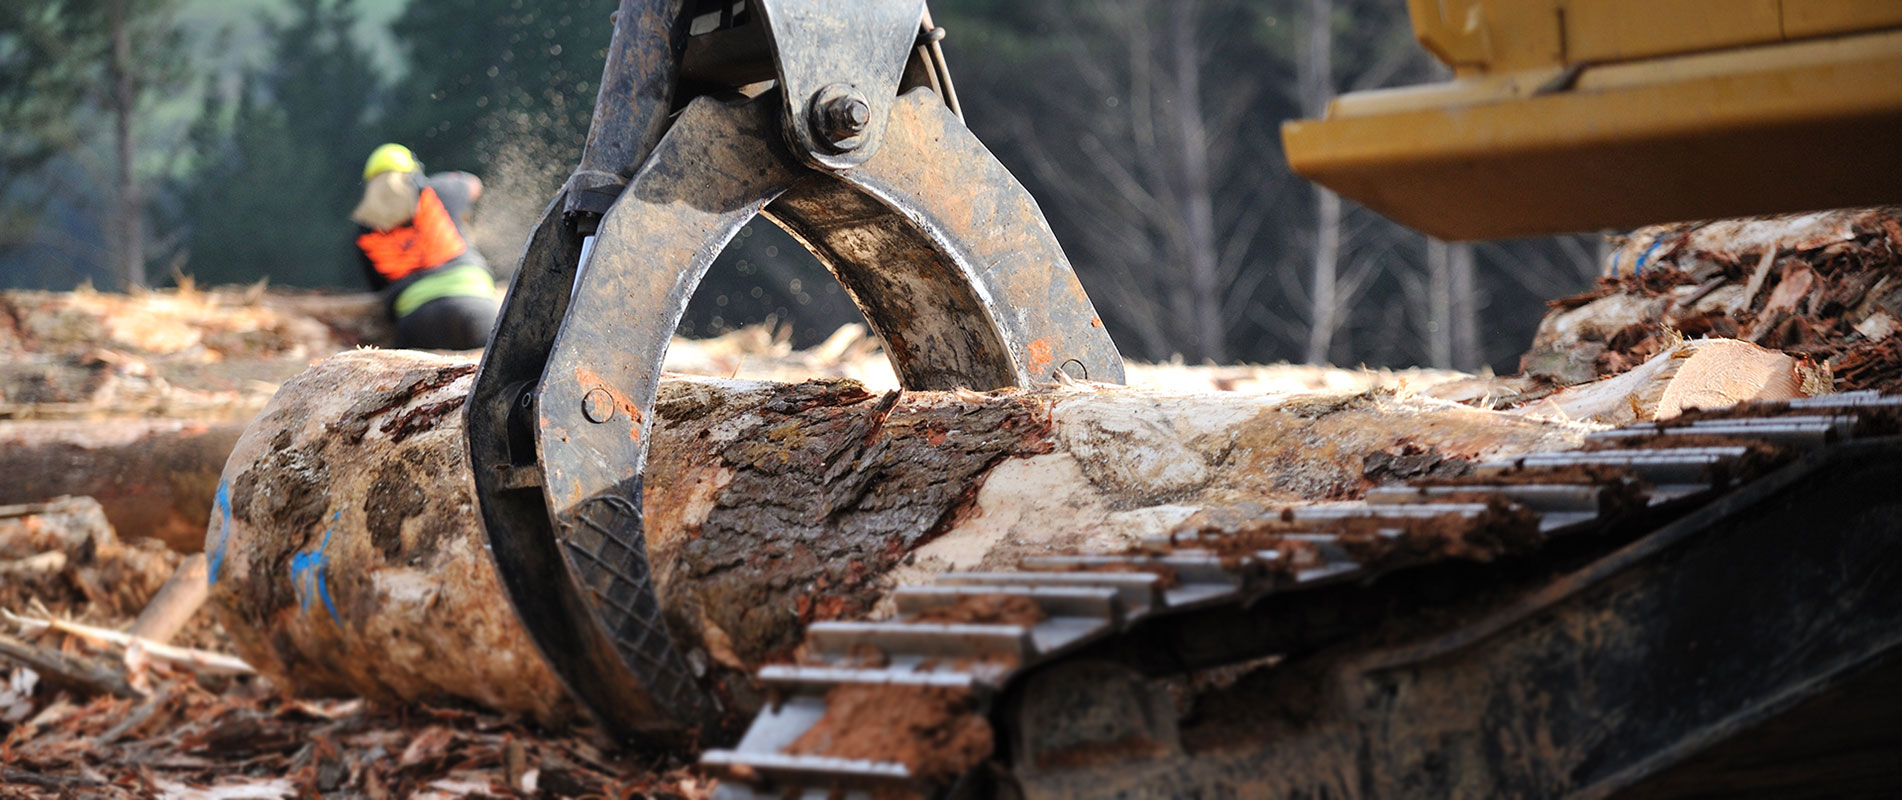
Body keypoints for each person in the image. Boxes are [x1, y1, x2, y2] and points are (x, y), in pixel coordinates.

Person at [351, 143, 499, 350]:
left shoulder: (365, 228)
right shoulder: (438, 189)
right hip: (474, 302)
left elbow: (378, 285)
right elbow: (473, 184)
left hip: (416, 318)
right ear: (413, 172)